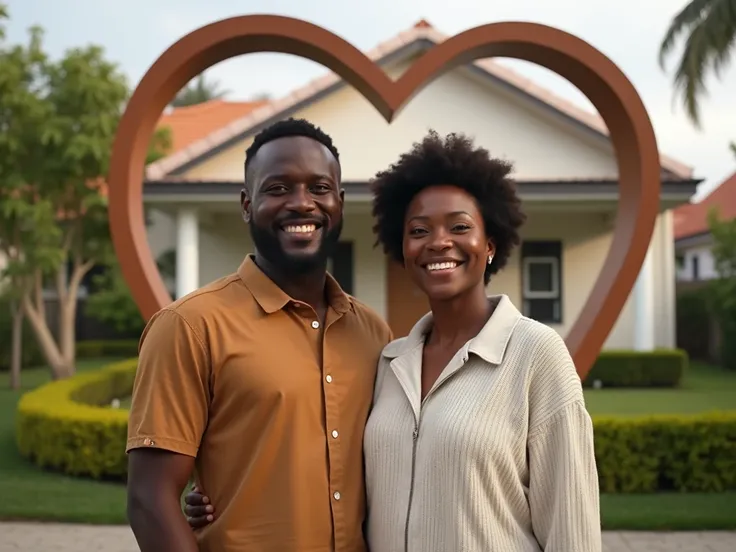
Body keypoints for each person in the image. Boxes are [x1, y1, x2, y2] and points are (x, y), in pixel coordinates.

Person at [184, 131, 602, 551]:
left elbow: (573, 530)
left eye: (459, 227)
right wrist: (224, 495)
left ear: (489, 244)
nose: (439, 242)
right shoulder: (391, 360)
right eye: (419, 230)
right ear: (403, 249)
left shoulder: (536, 354)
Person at [125, 118, 393, 552]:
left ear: (340, 204)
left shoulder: (374, 334)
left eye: (319, 188)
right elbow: (148, 500)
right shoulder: (190, 327)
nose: (301, 203)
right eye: (278, 188)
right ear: (247, 205)